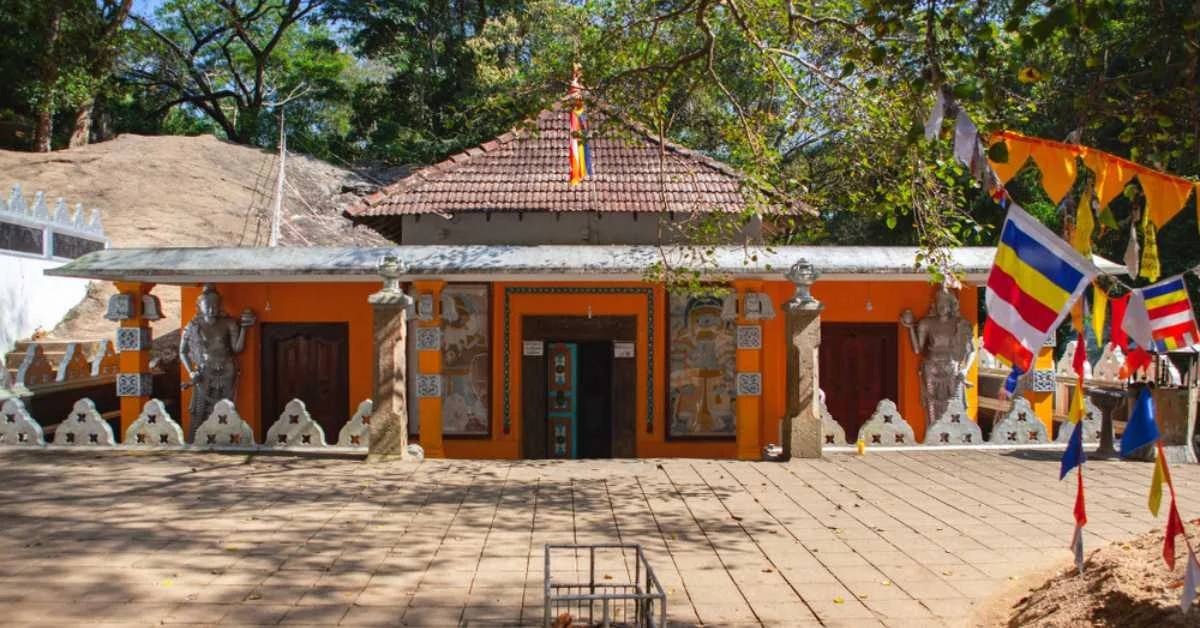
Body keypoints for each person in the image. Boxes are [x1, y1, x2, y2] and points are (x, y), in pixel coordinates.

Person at [180, 284, 255, 439]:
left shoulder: (228, 323)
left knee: (226, 407)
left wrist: (244, 329)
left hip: (227, 367)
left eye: (215, 305)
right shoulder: (194, 325)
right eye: (207, 305)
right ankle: (194, 440)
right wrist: (191, 372)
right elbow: (183, 351)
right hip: (204, 368)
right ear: (199, 306)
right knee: (199, 409)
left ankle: (227, 439)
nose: (212, 309)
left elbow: (237, 349)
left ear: (220, 305)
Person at [900, 287, 977, 427]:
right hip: (931, 367)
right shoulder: (926, 323)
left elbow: (972, 350)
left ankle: (956, 434)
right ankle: (932, 433)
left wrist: (966, 370)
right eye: (939, 302)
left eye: (945, 303)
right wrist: (910, 327)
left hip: (952, 367)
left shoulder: (960, 324)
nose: (942, 306)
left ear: (951, 305)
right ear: (935, 304)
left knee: (955, 402)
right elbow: (917, 349)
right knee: (931, 404)